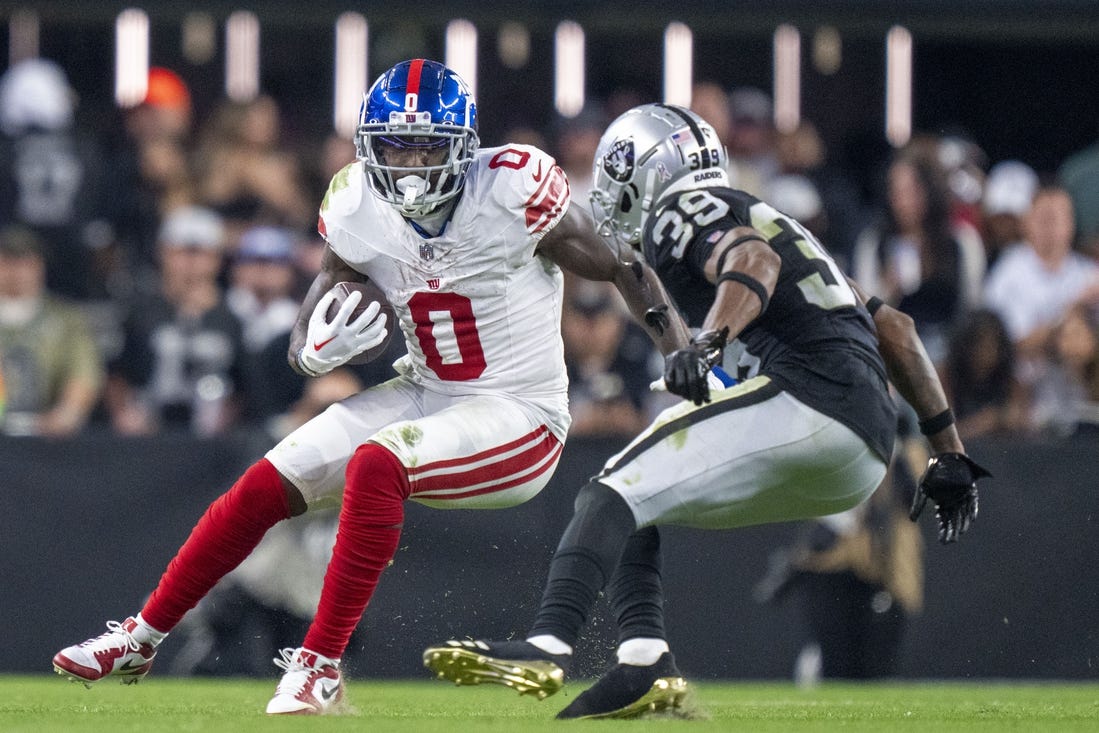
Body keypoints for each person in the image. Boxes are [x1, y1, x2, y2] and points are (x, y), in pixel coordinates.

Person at [51, 59, 686, 715]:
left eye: (425, 146)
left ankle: (319, 665)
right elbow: (324, 296)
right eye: (395, 146)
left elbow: (620, 264)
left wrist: (680, 349)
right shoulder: (357, 201)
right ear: (368, 147)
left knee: (378, 461)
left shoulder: (510, 188)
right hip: (426, 389)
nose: (409, 163)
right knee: (269, 478)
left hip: (518, 414)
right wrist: (312, 349)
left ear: (463, 148)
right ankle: (142, 635)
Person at [422, 104, 990, 720]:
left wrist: (710, 340)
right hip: (862, 450)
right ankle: (644, 663)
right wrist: (950, 452)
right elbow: (898, 332)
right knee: (637, 501)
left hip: (810, 402)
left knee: (607, 491)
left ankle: (547, 644)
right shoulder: (779, 223)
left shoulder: (682, 211)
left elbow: (753, 263)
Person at [0, 225, 105, 436]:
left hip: (45, 439)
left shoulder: (67, 320)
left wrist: (68, 413)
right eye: (8, 261)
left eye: (25, 262)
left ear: (40, 266)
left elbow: (83, 373)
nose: (16, 270)